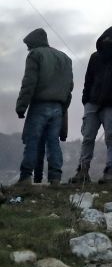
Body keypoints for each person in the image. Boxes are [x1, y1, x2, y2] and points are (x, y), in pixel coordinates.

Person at [70, 27, 112, 184]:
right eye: (106, 41)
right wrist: (86, 100)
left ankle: (109, 172)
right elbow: (88, 79)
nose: (108, 43)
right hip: (93, 103)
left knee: (110, 138)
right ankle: (83, 171)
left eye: (111, 41)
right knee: (88, 138)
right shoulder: (95, 57)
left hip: (111, 105)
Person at [15, 28, 73, 186]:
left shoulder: (35, 55)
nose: (28, 49)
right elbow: (69, 87)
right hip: (58, 107)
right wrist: (63, 107)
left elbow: (29, 83)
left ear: (33, 43)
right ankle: (55, 178)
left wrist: (21, 107)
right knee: (53, 142)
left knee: (32, 140)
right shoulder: (65, 58)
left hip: (40, 105)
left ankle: (26, 177)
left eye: (29, 46)